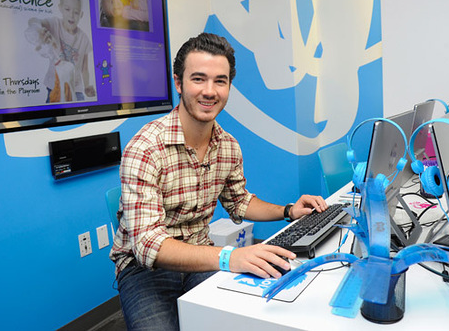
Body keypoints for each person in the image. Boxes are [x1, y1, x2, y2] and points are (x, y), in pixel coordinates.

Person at [109, 33, 328, 330]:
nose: (209, 91)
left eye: (220, 81)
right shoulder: (145, 148)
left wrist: (289, 210)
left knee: (245, 320)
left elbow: (239, 201)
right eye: (198, 79)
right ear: (179, 83)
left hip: (202, 257)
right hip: (146, 270)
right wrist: (230, 258)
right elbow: (149, 247)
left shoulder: (228, 146)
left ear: (228, 87)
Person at [26, 0, 95, 103]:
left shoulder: (84, 39)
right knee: (53, 114)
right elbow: (33, 20)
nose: (72, 15)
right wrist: (38, 29)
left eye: (76, 12)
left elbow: (84, 68)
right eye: (67, 9)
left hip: (76, 88)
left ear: (81, 15)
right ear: (60, 8)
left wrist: (87, 86)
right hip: (54, 86)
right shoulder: (54, 24)